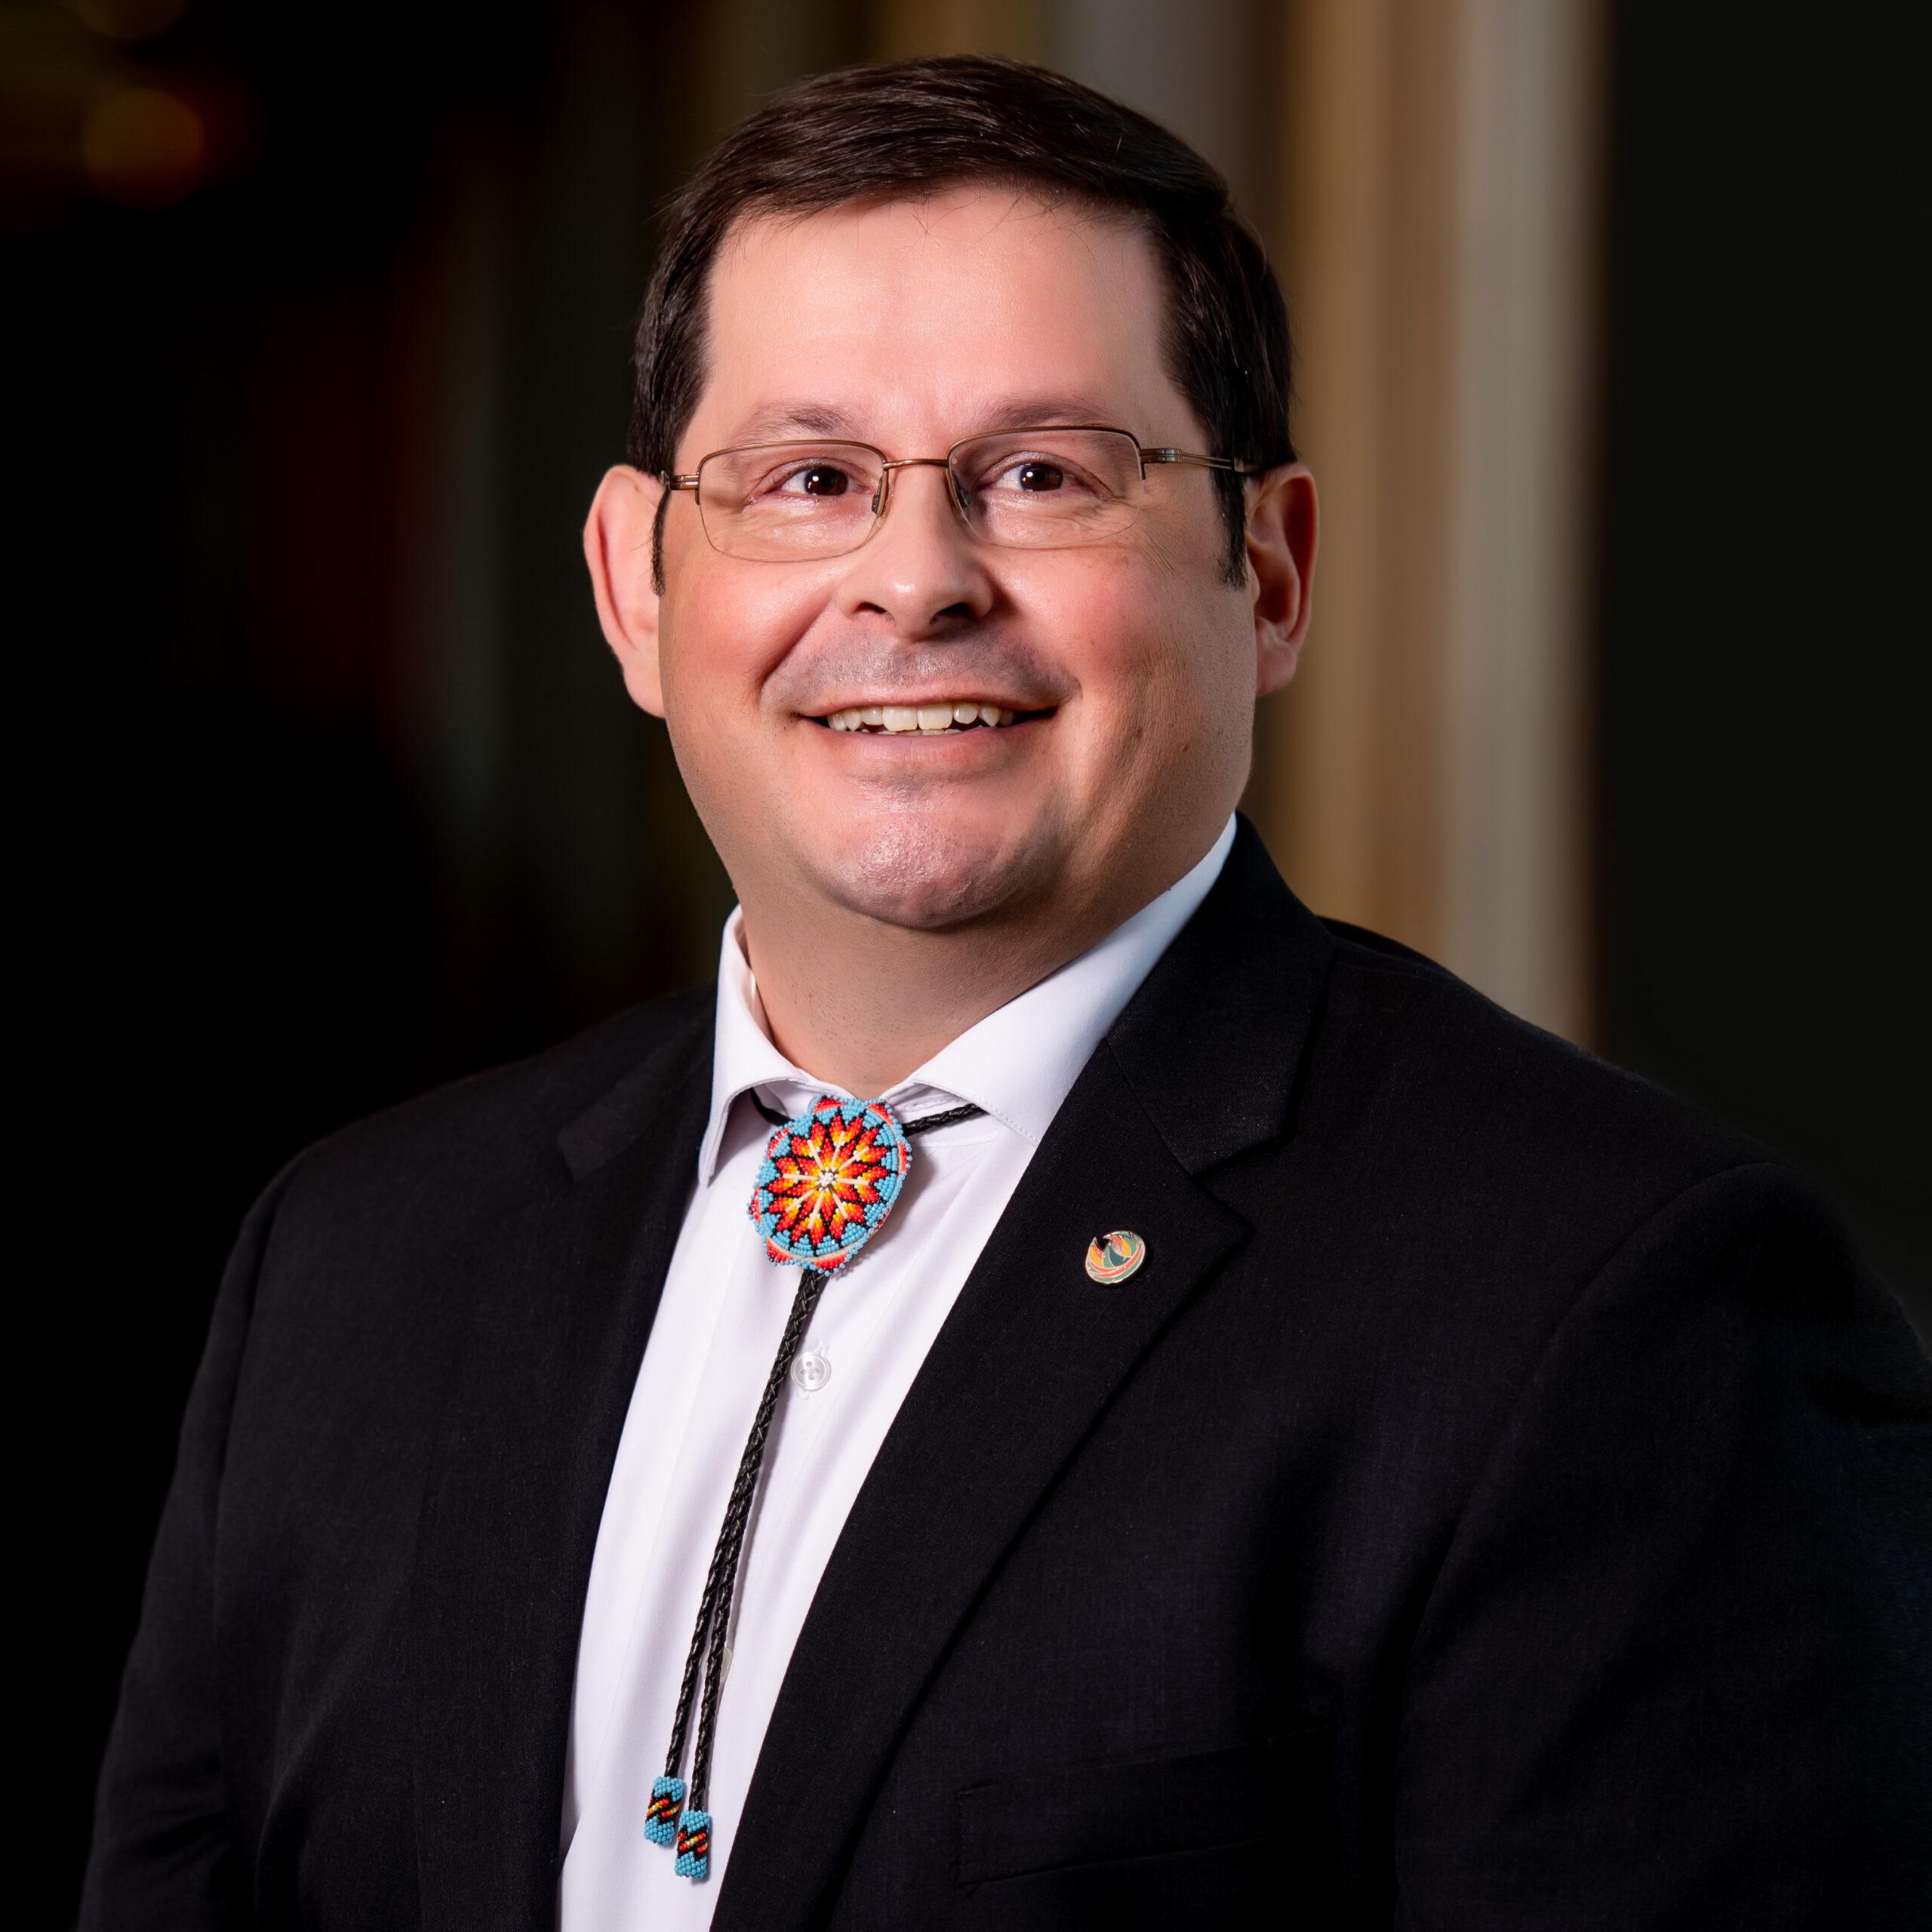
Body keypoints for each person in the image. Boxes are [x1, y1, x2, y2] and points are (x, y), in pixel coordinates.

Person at [82, 54, 1928, 1932]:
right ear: (638, 592)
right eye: (807, 479)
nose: (913, 580)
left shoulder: (1609, 1307)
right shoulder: (354, 1259)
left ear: (1268, 570)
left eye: (1040, 474)